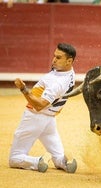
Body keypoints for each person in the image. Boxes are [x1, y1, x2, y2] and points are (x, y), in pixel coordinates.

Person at [9, 43, 77, 173]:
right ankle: (62, 161)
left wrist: (23, 89)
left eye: (58, 58)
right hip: (49, 120)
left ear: (69, 61)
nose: (54, 60)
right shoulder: (68, 72)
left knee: (15, 157)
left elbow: (39, 105)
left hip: (34, 117)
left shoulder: (57, 83)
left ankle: (36, 162)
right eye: (54, 56)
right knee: (56, 150)